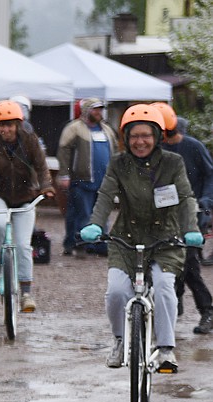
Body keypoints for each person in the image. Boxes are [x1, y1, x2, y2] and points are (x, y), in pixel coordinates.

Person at [80, 103, 201, 373]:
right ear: (126, 137)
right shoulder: (118, 163)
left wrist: (190, 228)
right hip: (126, 238)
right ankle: (121, 341)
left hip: (164, 239)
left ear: (157, 136)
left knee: (164, 286)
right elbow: (104, 196)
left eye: (146, 135)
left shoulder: (173, 162)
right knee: (116, 292)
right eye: (134, 136)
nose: (140, 141)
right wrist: (95, 224)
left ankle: (166, 350)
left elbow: (184, 197)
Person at [0, 100, 55, 313]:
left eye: (9, 124)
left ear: (18, 124)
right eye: (1, 125)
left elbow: (42, 167)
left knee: (24, 245)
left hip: (25, 197)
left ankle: (26, 293)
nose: (5, 129)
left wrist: (46, 187)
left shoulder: (30, 142)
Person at [160, 113, 213, 334]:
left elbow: (210, 174)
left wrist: (206, 200)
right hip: (163, 215)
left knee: (189, 264)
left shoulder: (194, 147)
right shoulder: (157, 148)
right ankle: (174, 304)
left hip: (192, 214)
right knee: (167, 263)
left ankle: (207, 311)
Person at [57, 97, 117, 258]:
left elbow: (115, 152)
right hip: (81, 179)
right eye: (95, 109)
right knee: (81, 214)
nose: (99, 112)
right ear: (86, 111)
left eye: (100, 109)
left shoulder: (107, 129)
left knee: (102, 213)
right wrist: (64, 174)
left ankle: (100, 244)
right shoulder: (74, 128)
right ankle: (77, 244)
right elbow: (63, 152)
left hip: (104, 181)